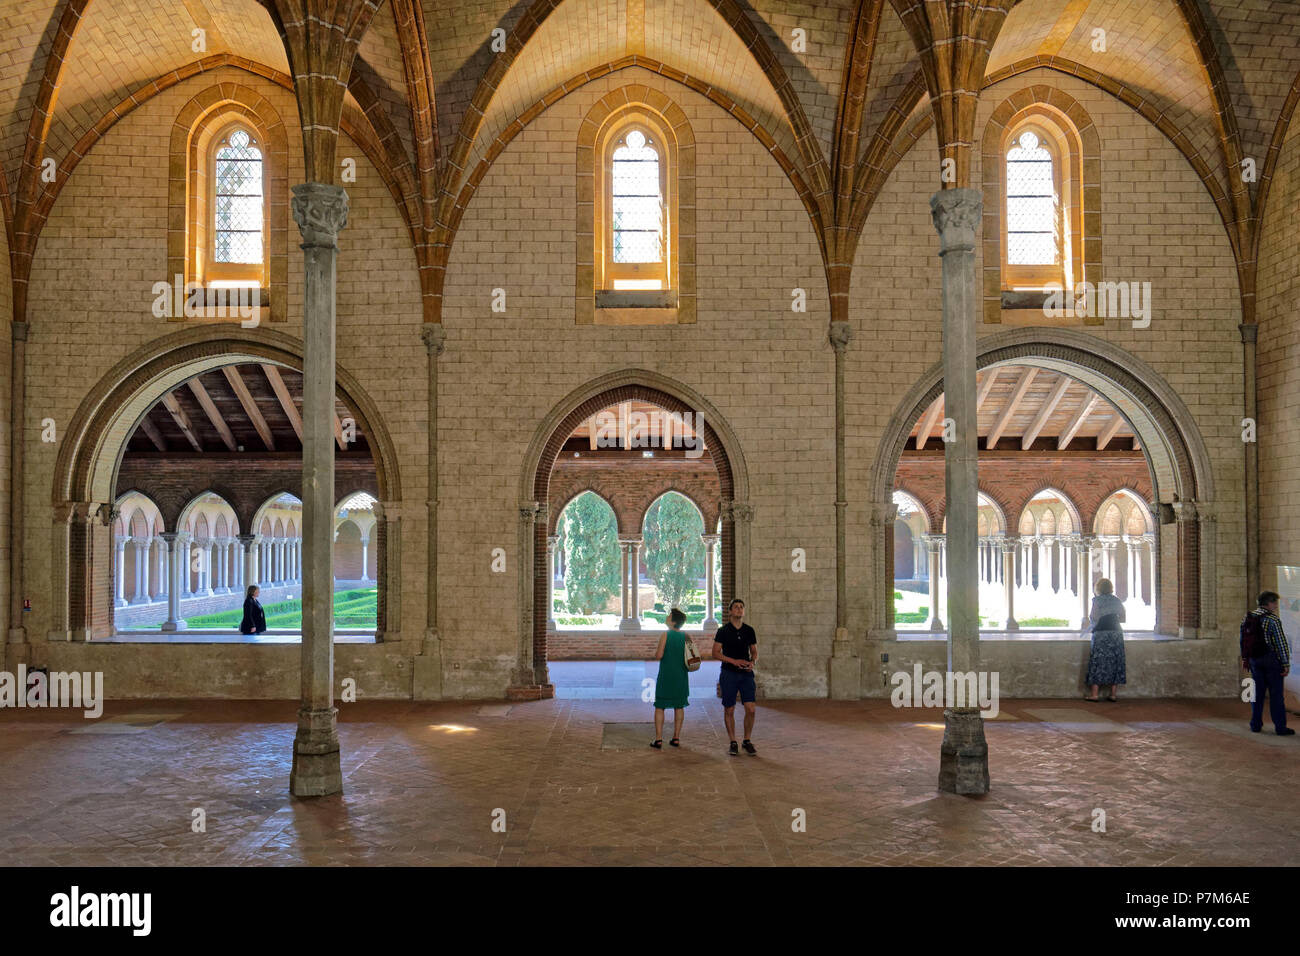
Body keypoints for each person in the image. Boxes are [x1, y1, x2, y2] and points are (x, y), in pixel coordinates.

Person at [1243, 590, 1294, 735]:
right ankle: (1280, 727)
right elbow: (1281, 643)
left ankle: (1255, 724)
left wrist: (1246, 659)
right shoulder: (1273, 620)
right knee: (1276, 695)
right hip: (1271, 661)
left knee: (1257, 694)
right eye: (1275, 603)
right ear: (1269, 603)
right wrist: (1285, 663)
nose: (1276, 606)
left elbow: (1243, 640)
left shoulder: (1248, 617)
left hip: (1254, 660)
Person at [713, 598, 758, 755]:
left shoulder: (749, 630)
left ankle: (747, 740)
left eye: (741, 607)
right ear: (730, 611)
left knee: (751, 709)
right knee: (729, 709)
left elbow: (754, 651)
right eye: (736, 607)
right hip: (728, 673)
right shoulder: (723, 631)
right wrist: (733, 661)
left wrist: (752, 662)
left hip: (746, 674)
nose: (739, 610)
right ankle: (733, 741)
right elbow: (715, 652)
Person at [650, 608, 693, 748]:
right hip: (681, 675)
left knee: (660, 706)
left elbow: (659, 655)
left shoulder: (665, 635)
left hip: (666, 676)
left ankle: (658, 739)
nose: (667, 617)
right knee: (679, 706)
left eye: (669, 616)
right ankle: (676, 738)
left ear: (673, 621)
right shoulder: (686, 636)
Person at [1084, 578, 1125, 701]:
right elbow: (1123, 617)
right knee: (1116, 661)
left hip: (1101, 633)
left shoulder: (1097, 600)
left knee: (1097, 661)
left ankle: (1094, 694)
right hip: (1116, 632)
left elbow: (1094, 617)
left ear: (1098, 588)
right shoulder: (1117, 600)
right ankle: (1113, 694)